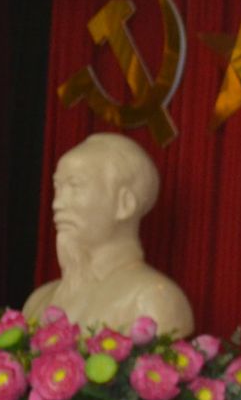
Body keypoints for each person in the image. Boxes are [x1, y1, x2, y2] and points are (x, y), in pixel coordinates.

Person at [23, 132, 195, 338]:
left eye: (75, 186)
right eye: (58, 188)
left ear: (125, 204)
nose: (57, 204)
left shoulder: (153, 300)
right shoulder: (39, 301)